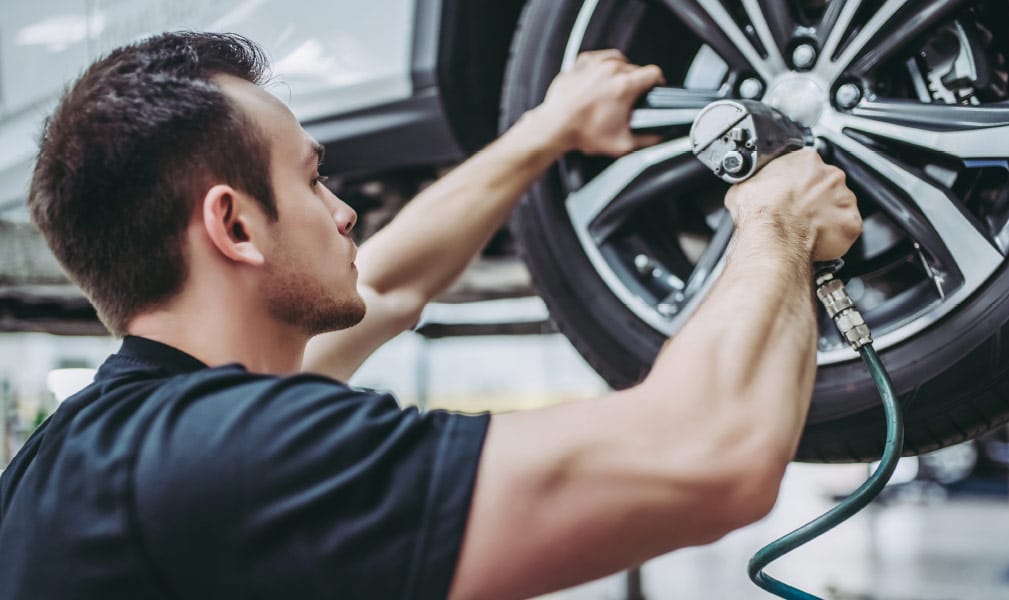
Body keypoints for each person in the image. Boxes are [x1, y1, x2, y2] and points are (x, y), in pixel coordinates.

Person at [0, 32, 860, 599]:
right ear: (232, 224)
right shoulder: (221, 457)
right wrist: (776, 218)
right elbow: (707, 456)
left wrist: (546, 129)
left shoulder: (106, 445)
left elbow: (393, 283)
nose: (345, 213)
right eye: (311, 179)